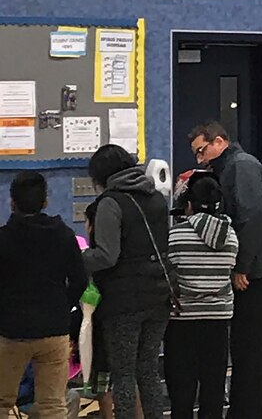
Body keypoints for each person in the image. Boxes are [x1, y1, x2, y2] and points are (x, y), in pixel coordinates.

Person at [188, 122, 262, 419]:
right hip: (261, 266)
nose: (200, 159)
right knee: (255, 348)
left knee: (247, 348)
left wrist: (241, 266)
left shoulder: (241, 166)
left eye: (202, 150)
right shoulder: (231, 167)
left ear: (219, 141)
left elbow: (250, 217)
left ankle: (243, 412)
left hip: (259, 270)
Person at [82, 144, 170, 419]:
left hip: (123, 301)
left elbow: (107, 256)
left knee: (123, 373)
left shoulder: (111, 202)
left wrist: (78, 257)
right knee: (149, 370)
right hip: (159, 296)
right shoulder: (157, 198)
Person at [0, 170, 88, 419]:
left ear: (12, 203)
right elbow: (80, 281)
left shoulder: (3, 239)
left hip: (11, 331)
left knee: (2, 401)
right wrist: (62, 307)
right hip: (54, 330)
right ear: (46, 201)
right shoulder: (64, 235)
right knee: (53, 404)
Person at [164, 172, 238, 419]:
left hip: (182, 320)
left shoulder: (176, 235)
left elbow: (169, 272)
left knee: (181, 386)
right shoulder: (231, 235)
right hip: (218, 318)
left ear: (188, 205)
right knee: (213, 384)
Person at [83, 203, 144, 419]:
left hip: (103, 325)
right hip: (130, 319)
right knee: (130, 377)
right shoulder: (126, 254)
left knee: (104, 381)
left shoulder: (92, 259)